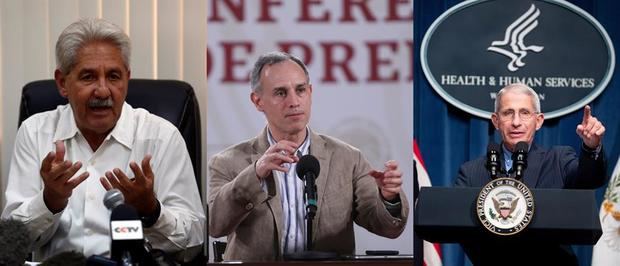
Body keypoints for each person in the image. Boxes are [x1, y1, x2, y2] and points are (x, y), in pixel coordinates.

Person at [1, 18, 205, 261]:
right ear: (62, 82)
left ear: (127, 79)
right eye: (88, 77)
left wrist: (152, 211)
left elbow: (193, 243)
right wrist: (49, 201)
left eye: (114, 76)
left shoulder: (162, 137)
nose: (103, 91)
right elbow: (11, 244)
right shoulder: (35, 132)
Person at [207, 51, 409, 260]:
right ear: (258, 101)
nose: (294, 102)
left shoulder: (348, 159)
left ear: (310, 92)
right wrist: (256, 174)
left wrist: (389, 198)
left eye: (300, 90)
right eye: (280, 93)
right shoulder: (227, 162)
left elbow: (388, 228)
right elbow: (215, 225)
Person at [454, 83, 608, 265]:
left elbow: (590, 179)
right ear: (496, 121)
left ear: (539, 120)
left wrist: (591, 148)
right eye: (508, 113)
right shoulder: (471, 172)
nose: (516, 122)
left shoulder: (558, 160)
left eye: (525, 113)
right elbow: (458, 224)